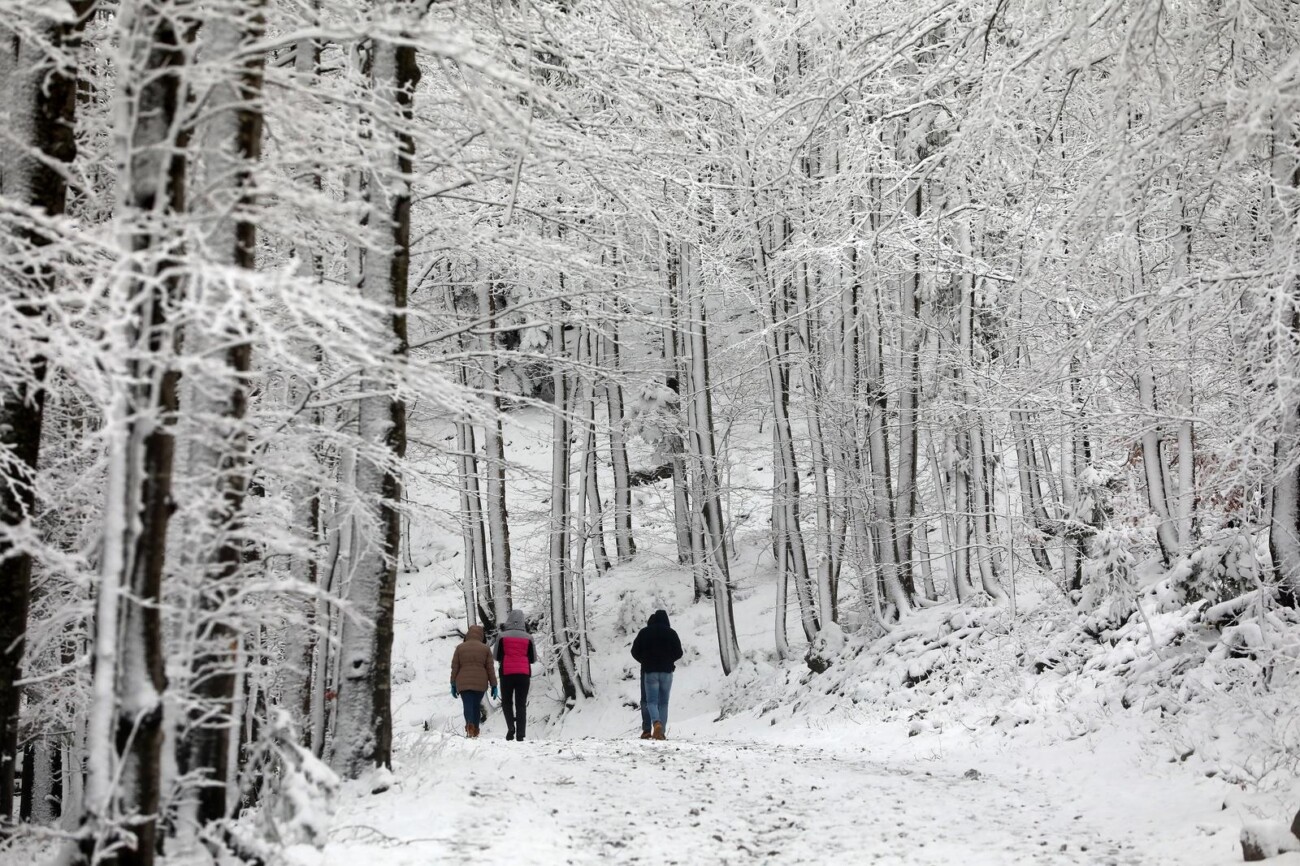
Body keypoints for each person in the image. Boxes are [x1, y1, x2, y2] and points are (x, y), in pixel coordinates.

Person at [630, 609, 683, 741]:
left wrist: (644, 660)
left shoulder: (645, 632)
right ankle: (661, 732)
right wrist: (669, 660)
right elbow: (679, 652)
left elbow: (634, 651)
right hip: (667, 671)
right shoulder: (671, 633)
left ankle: (653, 725)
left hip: (649, 671)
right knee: (663, 703)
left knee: (650, 701)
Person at [494, 609, 536, 741]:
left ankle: (511, 727)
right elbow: (533, 658)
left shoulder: (502, 636)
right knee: (521, 704)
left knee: (506, 702)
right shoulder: (529, 638)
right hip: (523, 674)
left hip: (506, 673)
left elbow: (496, 656)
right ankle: (521, 734)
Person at [450, 624, 497, 738]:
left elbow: (455, 667)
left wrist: (453, 683)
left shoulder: (460, 648)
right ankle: (475, 730)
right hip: (480, 683)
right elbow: (490, 668)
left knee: (467, 705)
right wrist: (494, 685)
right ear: (481, 636)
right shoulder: (485, 648)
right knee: (475, 706)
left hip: (463, 682)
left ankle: (469, 727)